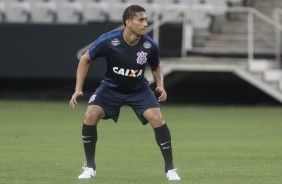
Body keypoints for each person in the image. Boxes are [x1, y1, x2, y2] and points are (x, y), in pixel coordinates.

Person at [69, 5, 181, 181]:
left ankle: (170, 169)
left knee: (157, 118)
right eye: (141, 19)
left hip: (139, 89)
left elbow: (156, 66)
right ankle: (90, 167)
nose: (145, 23)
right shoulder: (108, 40)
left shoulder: (150, 45)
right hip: (111, 88)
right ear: (128, 22)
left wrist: (160, 85)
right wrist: (78, 89)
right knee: (90, 114)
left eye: (146, 19)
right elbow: (85, 59)